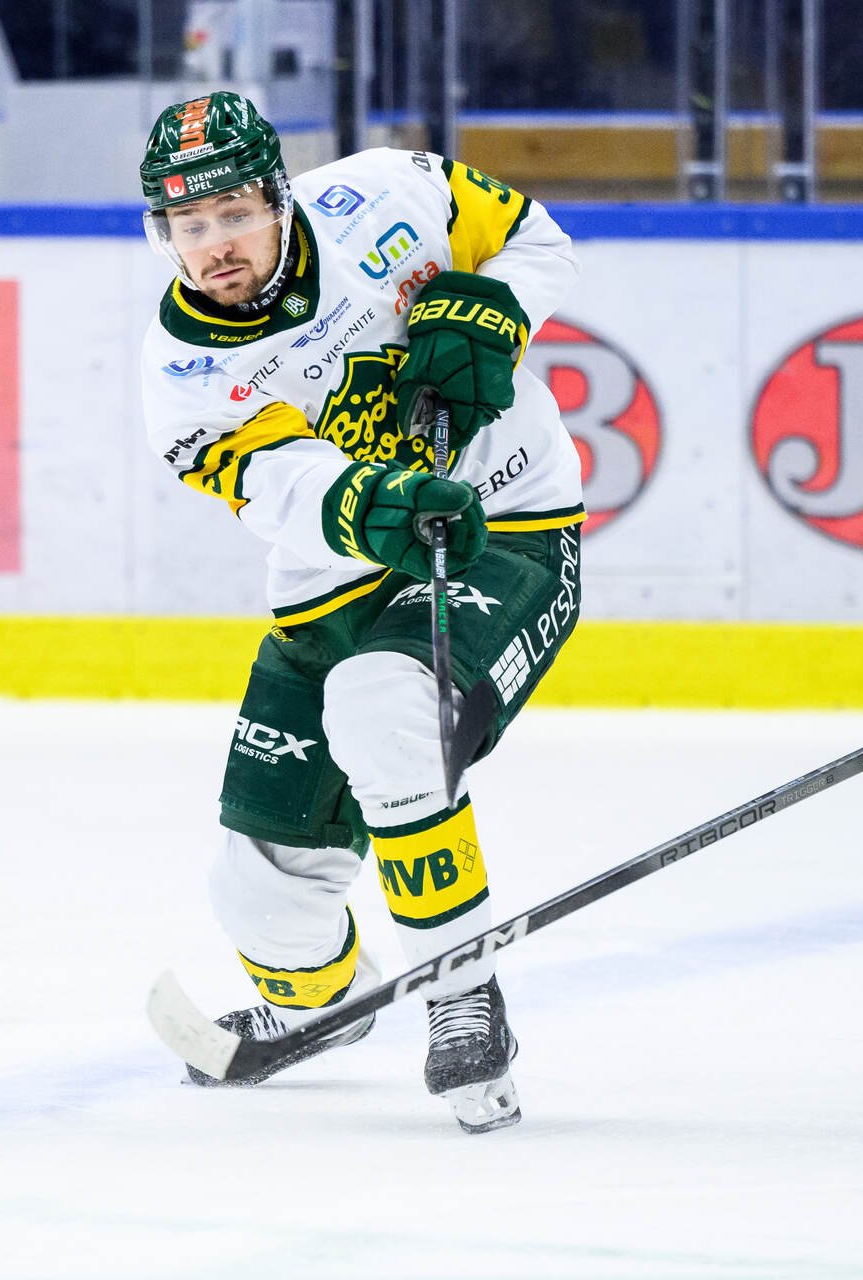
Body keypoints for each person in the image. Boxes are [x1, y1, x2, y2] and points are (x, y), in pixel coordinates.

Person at [138, 92, 585, 1132]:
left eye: (236, 214)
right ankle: (326, 1005)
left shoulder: (387, 192)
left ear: (281, 198)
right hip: (334, 575)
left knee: (383, 702)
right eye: (189, 225)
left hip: (507, 519)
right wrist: (375, 502)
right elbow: (289, 487)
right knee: (254, 891)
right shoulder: (186, 381)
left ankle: (461, 987)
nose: (216, 247)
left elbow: (536, 238)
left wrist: (492, 306)